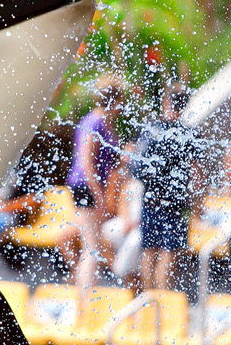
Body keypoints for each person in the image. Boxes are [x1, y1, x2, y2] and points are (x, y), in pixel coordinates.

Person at [131, 82, 202, 291]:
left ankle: (149, 302)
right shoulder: (187, 133)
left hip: (150, 199)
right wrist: (197, 204)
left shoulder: (150, 129)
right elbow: (196, 174)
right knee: (169, 252)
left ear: (165, 103)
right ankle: (162, 301)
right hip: (176, 202)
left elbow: (135, 165)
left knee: (149, 250)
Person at [64, 76, 124, 289]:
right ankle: (84, 302)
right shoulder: (95, 122)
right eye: (120, 99)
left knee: (85, 240)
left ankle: (77, 287)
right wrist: (99, 196)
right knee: (92, 248)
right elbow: (87, 162)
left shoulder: (101, 121)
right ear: (114, 99)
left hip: (85, 187)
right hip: (86, 188)